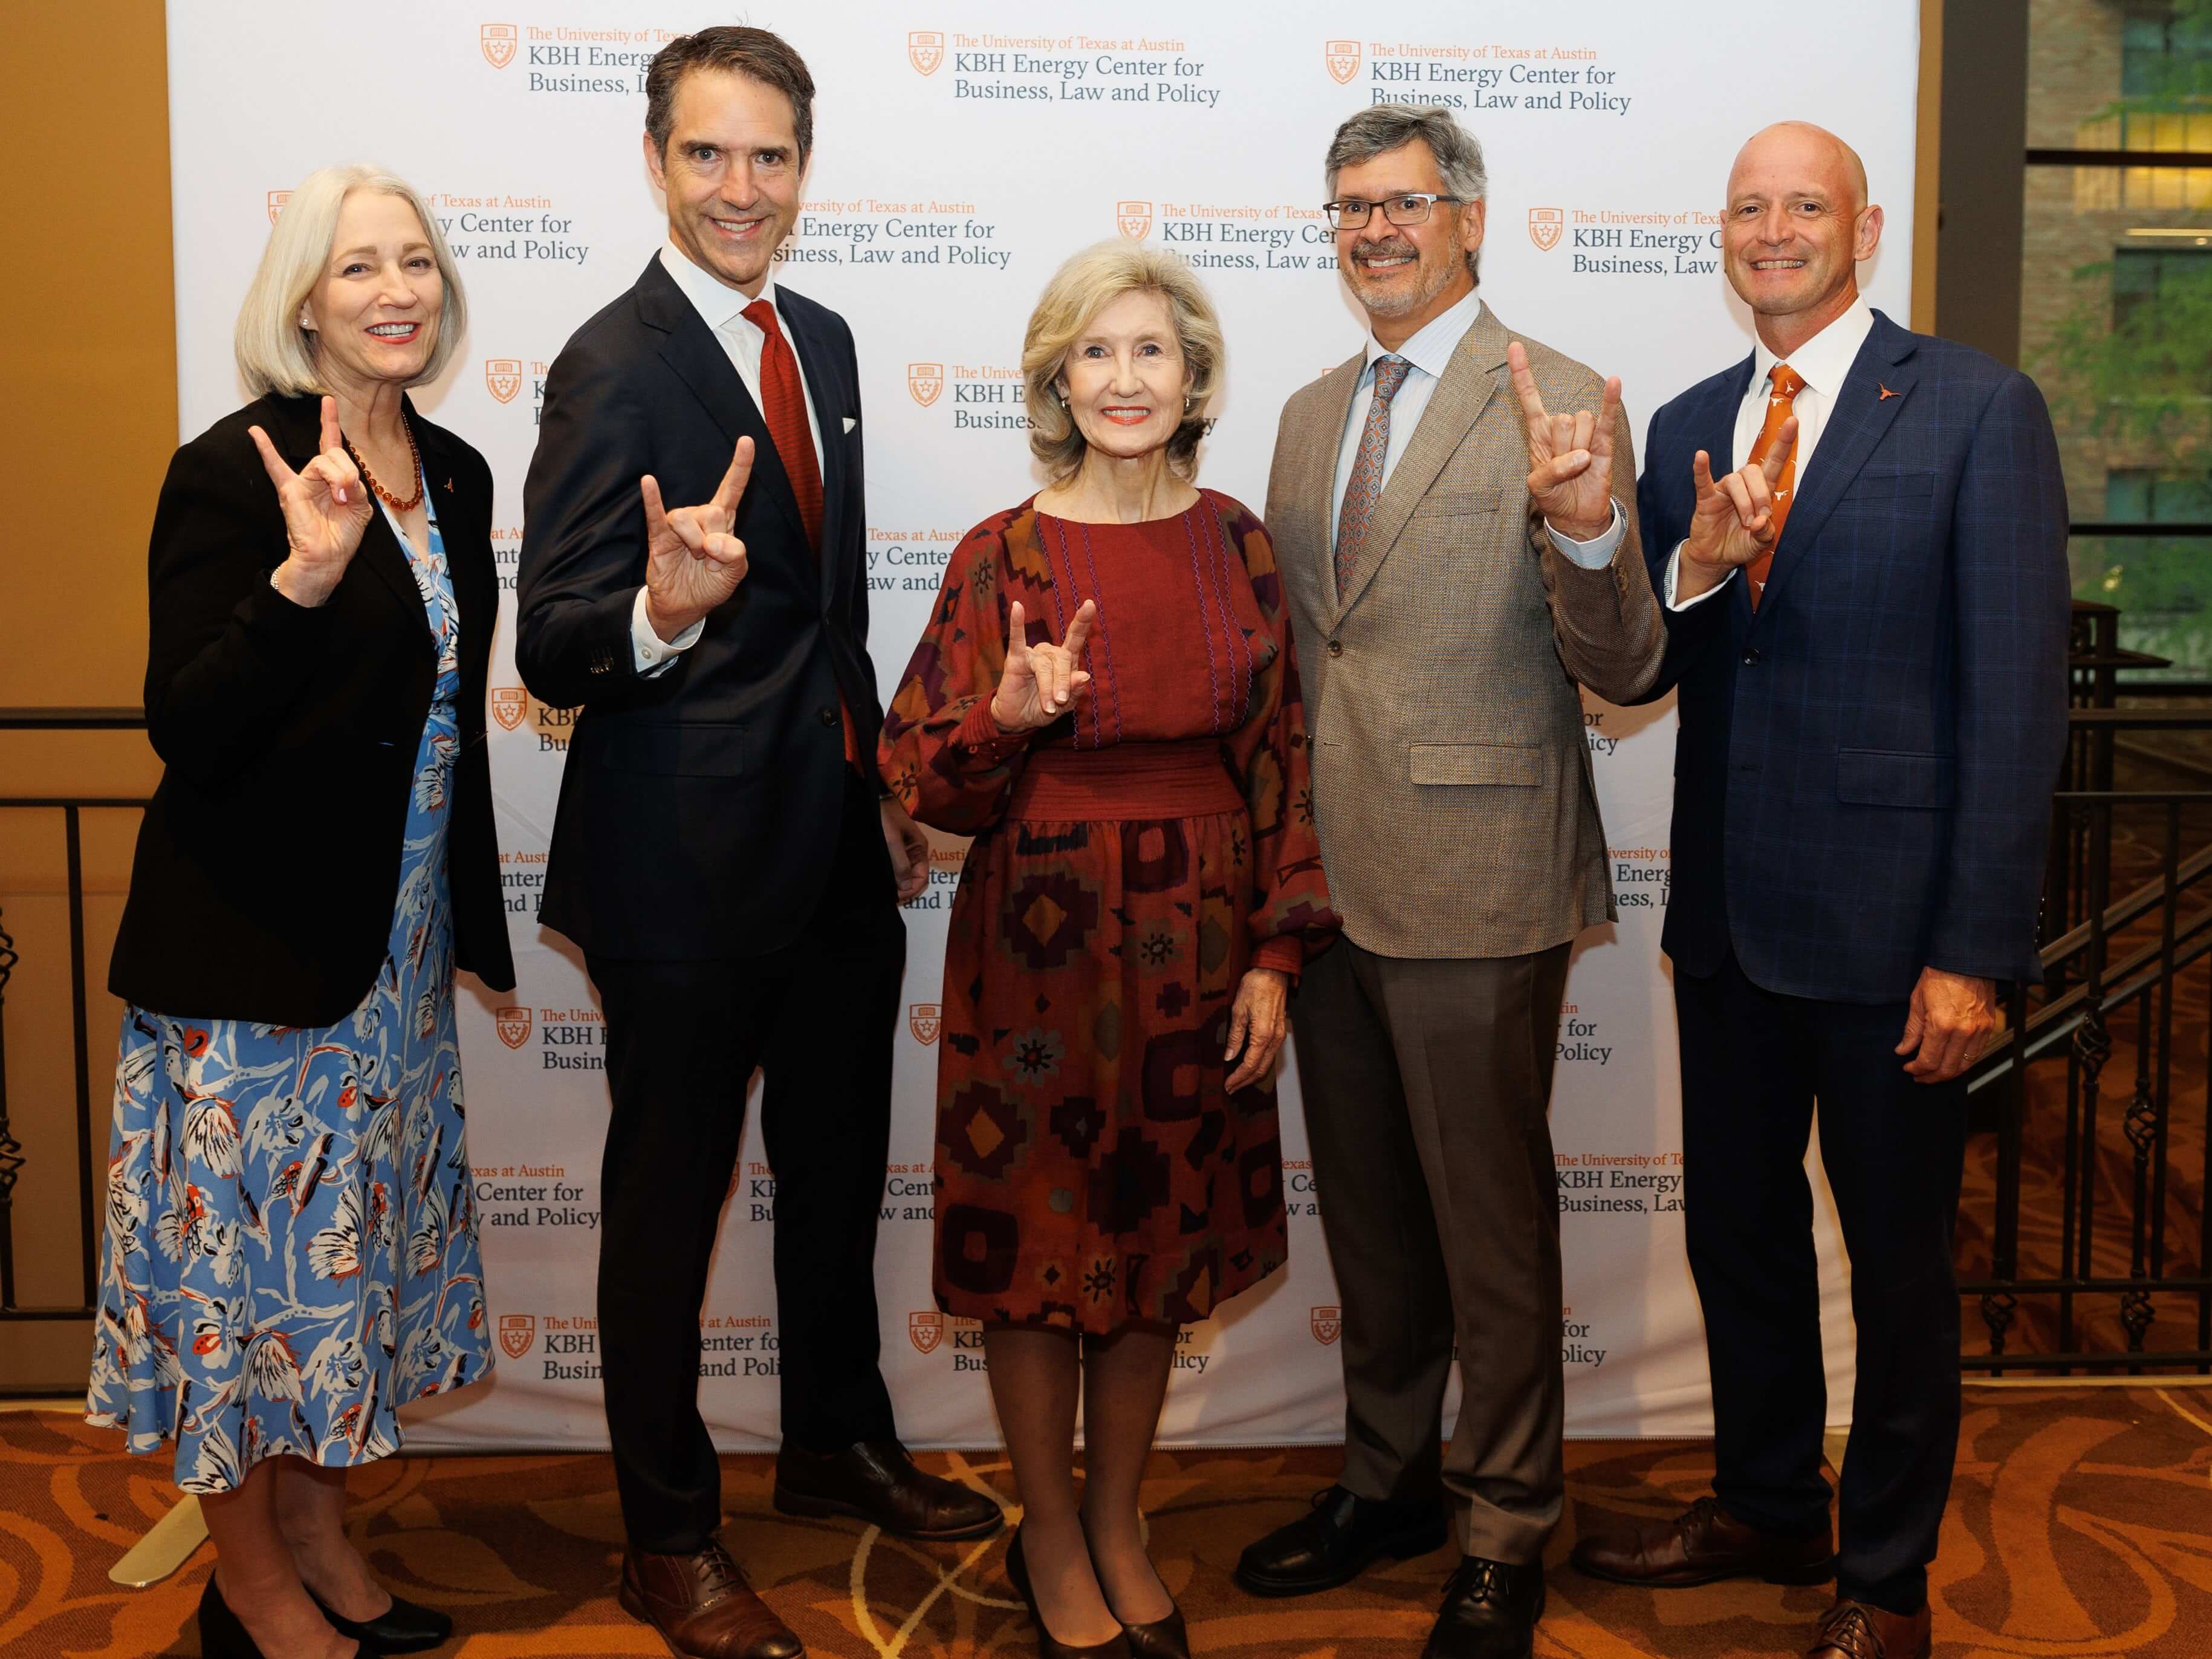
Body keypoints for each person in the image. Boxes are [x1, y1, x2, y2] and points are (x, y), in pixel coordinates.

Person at [515, 25, 998, 1659]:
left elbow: (823, 619)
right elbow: (548, 642)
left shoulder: (828, 342)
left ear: (804, 166)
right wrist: (652, 611)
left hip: (830, 851)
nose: (741, 188)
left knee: (839, 1170)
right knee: (666, 1201)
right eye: (709, 154)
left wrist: (874, 781)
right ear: (658, 160)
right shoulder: (612, 360)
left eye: (769, 156)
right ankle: (666, 1533)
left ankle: (833, 1435)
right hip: (677, 869)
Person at [1567, 124, 2070, 1659]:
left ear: (1863, 231)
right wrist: (1700, 566)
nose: (1772, 230)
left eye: (1804, 206)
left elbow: (2013, 698)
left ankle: (1887, 1579)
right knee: (1741, 1241)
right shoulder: (1688, 425)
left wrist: (1974, 953)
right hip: (1726, 926)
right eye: (1748, 207)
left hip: (1894, 937)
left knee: (1901, 1272)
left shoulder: (1978, 407)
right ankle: (1770, 1503)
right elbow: (1665, 668)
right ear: (1720, 233)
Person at [1231, 105, 1664, 1659]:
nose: (1374, 230)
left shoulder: (1554, 400)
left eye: (1403, 203)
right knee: (1373, 1221)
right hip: (1318, 888)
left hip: (1480, 881)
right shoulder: (1299, 412)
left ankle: (1504, 1522)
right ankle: (1387, 1478)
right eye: (1348, 206)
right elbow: (1303, 656)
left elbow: (1626, 660)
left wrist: (1589, 520)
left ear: (1471, 219)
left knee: (1489, 1229)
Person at [881, 241, 1338, 1659]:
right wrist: (1008, 720)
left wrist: (1276, 952)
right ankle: (1051, 1530)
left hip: (1201, 948)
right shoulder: (998, 554)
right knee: (1037, 1247)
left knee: (1156, 1236)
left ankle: (1122, 1515)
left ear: (1194, 376)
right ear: (1055, 381)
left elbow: (1283, 762)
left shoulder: (1242, 541)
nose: (1125, 379)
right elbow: (920, 775)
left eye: (1152, 351)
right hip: (1040, 952)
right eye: (1097, 353)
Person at [86, 163, 512, 1659]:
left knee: (344, 1279)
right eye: (359, 269)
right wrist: (303, 579)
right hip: (252, 978)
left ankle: (326, 1536)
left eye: (416, 261)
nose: (397, 290)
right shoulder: (234, 468)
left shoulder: (453, 470)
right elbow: (190, 728)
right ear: (304, 302)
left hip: (390, 969)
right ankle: (250, 1579)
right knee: (247, 1295)